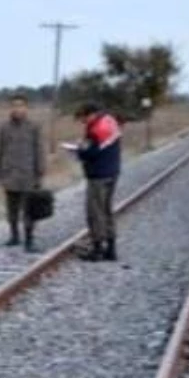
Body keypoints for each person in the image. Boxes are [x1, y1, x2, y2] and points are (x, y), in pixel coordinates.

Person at [0, 94, 45, 252]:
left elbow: (39, 150)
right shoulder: (4, 127)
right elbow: (0, 150)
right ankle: (14, 236)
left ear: (26, 108)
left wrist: (40, 172)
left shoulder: (33, 127)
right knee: (12, 210)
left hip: (28, 175)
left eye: (21, 105)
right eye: (14, 105)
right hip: (10, 174)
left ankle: (29, 240)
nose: (17, 109)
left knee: (29, 210)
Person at [72, 102, 122, 261]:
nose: (83, 122)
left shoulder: (95, 130)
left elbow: (89, 153)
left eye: (83, 118)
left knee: (95, 212)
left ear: (90, 114)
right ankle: (111, 248)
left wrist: (79, 150)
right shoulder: (110, 121)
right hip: (113, 172)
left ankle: (97, 248)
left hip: (98, 175)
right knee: (107, 210)